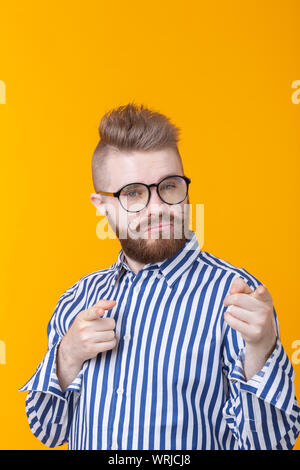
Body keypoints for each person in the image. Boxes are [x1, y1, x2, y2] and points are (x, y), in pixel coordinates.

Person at [19, 103, 300, 450]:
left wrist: (262, 351)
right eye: (133, 193)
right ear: (101, 205)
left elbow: (272, 444)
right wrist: (67, 357)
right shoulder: (78, 299)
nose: (158, 208)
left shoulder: (237, 297)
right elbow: (47, 430)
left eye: (169, 186)